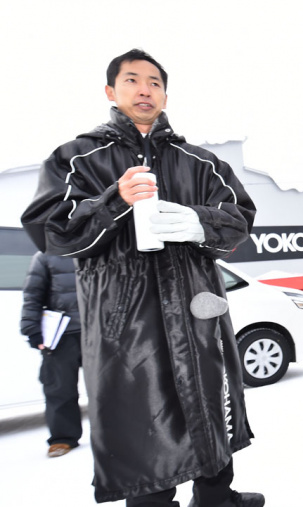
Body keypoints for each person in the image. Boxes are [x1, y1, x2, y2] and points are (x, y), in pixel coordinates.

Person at [20, 49, 262, 507]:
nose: (144, 89)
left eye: (154, 82)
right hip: (124, 322)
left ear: (165, 95)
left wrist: (200, 222)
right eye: (131, 80)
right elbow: (47, 229)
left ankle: (217, 498)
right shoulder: (77, 158)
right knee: (139, 421)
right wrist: (114, 201)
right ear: (111, 91)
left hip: (198, 312)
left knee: (210, 401)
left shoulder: (200, 162)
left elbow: (240, 217)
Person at [19, 251, 83, 458]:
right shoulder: (45, 256)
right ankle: (62, 438)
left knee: (109, 388)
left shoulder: (99, 248)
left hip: (100, 332)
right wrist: (32, 329)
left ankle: (114, 436)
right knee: (59, 388)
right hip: (61, 335)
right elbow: (32, 294)